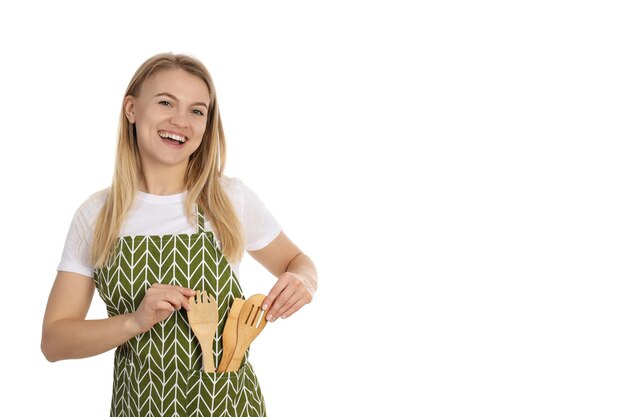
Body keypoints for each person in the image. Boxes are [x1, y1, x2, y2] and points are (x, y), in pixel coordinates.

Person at [41, 52, 318, 417]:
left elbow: (297, 263)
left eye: (197, 111)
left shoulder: (227, 199)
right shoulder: (98, 215)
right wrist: (134, 321)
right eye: (166, 102)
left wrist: (303, 281)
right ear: (132, 109)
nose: (180, 121)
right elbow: (55, 340)